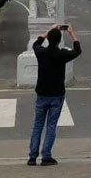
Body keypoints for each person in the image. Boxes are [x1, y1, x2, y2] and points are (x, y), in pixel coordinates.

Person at [27, 24, 82, 166]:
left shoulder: (41, 52)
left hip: (42, 94)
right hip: (56, 94)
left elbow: (36, 43)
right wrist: (72, 33)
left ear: (49, 40)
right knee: (51, 126)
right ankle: (46, 156)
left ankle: (32, 156)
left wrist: (48, 32)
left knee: (37, 125)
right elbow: (77, 50)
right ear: (58, 41)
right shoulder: (62, 54)